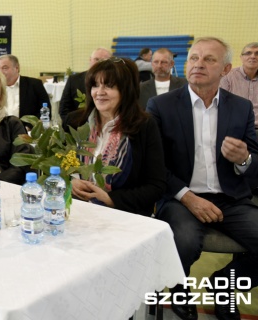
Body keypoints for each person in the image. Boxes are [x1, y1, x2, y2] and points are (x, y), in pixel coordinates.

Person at [148, 37, 258, 320]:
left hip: (230, 197)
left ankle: (223, 285)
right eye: (194, 57)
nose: (198, 64)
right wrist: (188, 197)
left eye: (209, 59)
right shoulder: (160, 106)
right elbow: (153, 165)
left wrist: (243, 159)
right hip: (179, 197)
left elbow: (254, 162)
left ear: (226, 69)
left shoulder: (241, 107)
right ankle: (180, 295)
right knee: (183, 240)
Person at [63, 57, 166, 216]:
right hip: (76, 210)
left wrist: (111, 199)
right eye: (95, 85)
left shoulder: (143, 126)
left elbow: (155, 186)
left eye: (109, 86)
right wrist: (71, 181)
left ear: (126, 90)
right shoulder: (75, 121)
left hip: (122, 214)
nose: (100, 92)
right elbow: (57, 163)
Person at [0, 54, 50, 129]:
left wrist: (31, 127)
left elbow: (45, 110)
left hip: (27, 131)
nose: (0, 72)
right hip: (0, 131)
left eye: (5, 68)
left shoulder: (34, 85)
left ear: (17, 68)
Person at [59, 47, 112, 121]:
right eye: (96, 59)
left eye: (104, 60)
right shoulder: (74, 80)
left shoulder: (115, 82)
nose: (100, 63)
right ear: (90, 60)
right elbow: (64, 108)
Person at [220, 42, 258, 129]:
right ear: (241, 58)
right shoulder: (228, 76)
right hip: (236, 127)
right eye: (248, 53)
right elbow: (221, 104)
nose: (253, 56)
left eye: (257, 53)